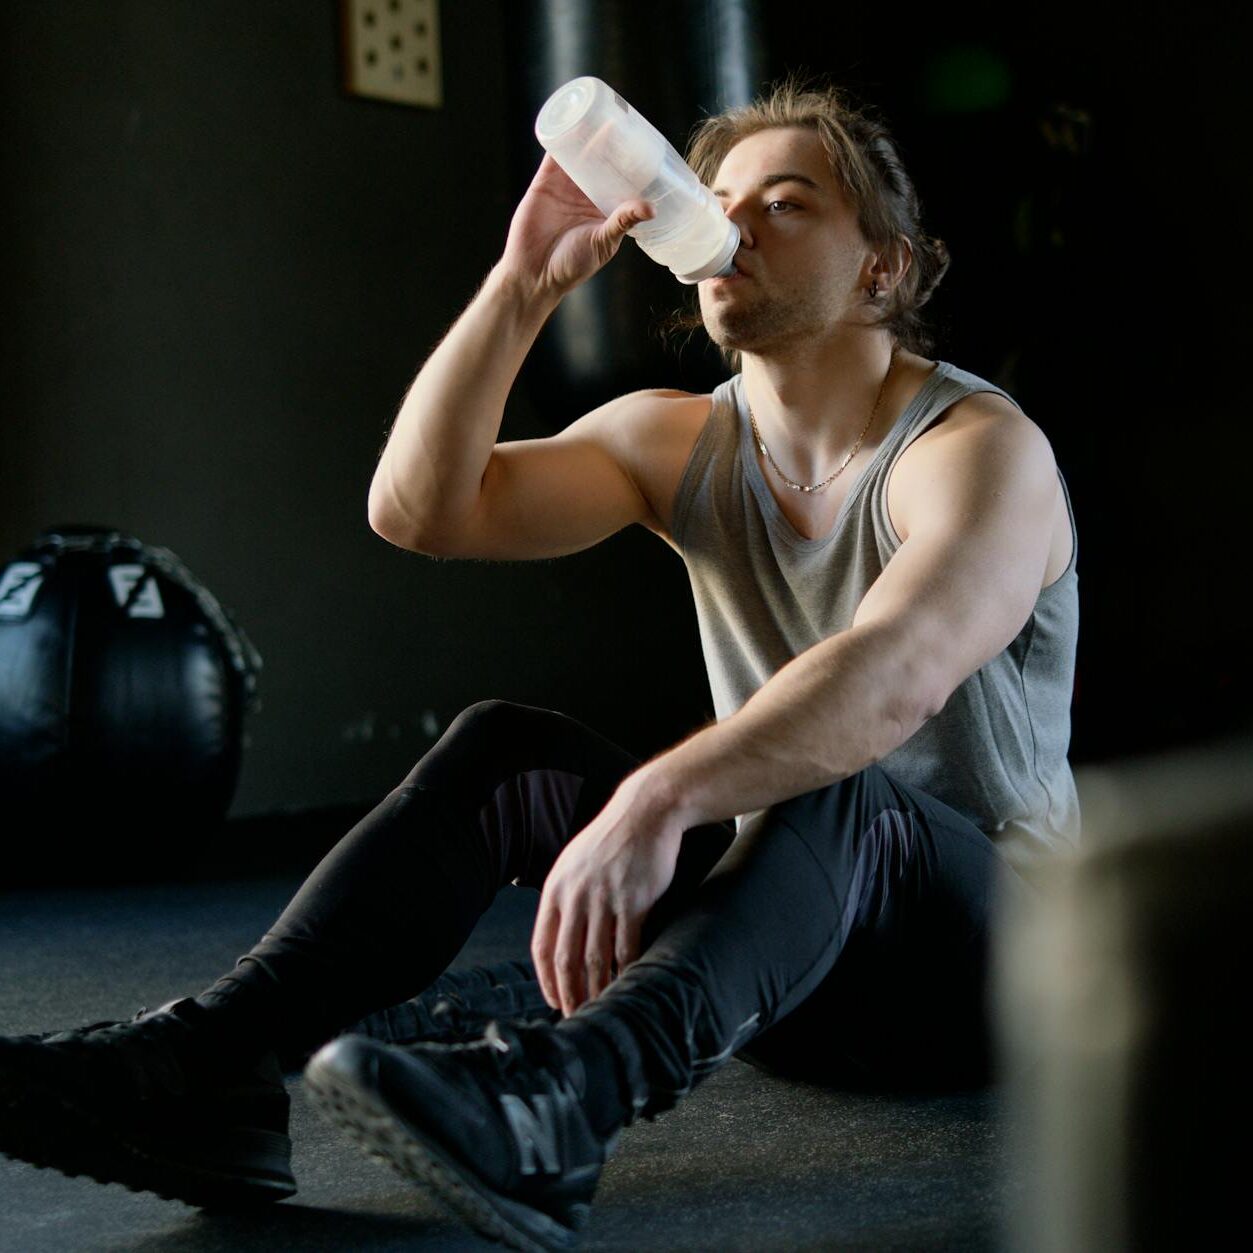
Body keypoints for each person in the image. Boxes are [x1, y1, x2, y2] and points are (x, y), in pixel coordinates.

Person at [0, 77, 1078, 1252]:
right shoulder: (675, 438)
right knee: (505, 748)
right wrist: (522, 286)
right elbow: (421, 508)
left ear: (882, 267)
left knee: (828, 770)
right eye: (715, 201)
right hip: (791, 973)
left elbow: (892, 676)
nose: (733, 227)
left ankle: (563, 1099)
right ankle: (205, 1069)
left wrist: (658, 794)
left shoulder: (973, 449)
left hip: (1009, 980)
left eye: (784, 204)